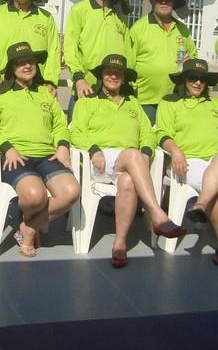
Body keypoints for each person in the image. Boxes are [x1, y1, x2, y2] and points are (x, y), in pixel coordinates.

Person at [70, 54, 186, 268]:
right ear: (101, 76)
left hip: (129, 165)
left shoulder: (132, 102)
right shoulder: (88, 101)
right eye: (109, 72)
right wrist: (94, 150)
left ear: (124, 78)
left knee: (128, 181)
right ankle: (157, 214)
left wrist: (146, 152)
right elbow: (76, 132)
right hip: (99, 163)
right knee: (132, 154)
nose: (113, 76)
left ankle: (120, 242)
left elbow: (148, 133)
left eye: (118, 73)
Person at [0, 42, 81, 258]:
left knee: (71, 191)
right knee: (35, 196)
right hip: (16, 157)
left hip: (47, 156)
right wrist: (7, 148)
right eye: (20, 63)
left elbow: (60, 125)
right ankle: (30, 231)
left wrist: (63, 146)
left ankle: (28, 227)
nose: (27, 66)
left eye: (30, 61)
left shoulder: (46, 93)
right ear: (11, 68)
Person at [155, 59, 218, 267]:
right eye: (193, 78)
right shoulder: (169, 103)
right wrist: (175, 151)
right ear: (184, 80)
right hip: (188, 161)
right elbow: (162, 134)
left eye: (202, 79)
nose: (198, 83)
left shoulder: (215, 105)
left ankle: (201, 204)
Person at [63, 0, 132, 115]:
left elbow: (128, 50)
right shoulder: (79, 10)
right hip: (86, 87)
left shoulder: (121, 14)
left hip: (115, 89)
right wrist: (78, 78)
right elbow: (70, 47)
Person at [130, 0, 197, 124]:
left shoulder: (183, 29)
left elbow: (193, 56)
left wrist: (190, 62)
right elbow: (129, 64)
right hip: (145, 101)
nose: (164, 2)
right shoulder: (138, 28)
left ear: (174, 1)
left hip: (176, 99)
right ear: (151, 0)